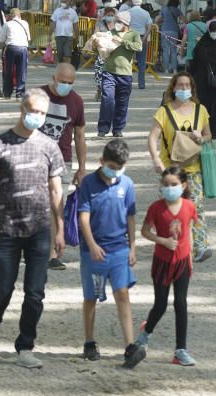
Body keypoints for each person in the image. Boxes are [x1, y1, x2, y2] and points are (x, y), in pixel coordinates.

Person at [0, 89, 65, 369]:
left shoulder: (50, 146)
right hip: (7, 229)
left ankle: (25, 347)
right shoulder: (0, 143)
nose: (37, 117)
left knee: (35, 293)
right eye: (33, 111)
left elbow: (56, 191)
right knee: (3, 289)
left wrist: (60, 229)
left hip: (39, 230)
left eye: (43, 113)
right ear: (22, 109)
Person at [78, 139, 146, 368]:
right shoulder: (88, 184)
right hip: (94, 254)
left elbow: (130, 217)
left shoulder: (127, 185)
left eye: (120, 168)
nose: (115, 172)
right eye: (112, 167)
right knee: (91, 297)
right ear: (102, 162)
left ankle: (129, 346)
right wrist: (92, 244)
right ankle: (89, 341)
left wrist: (133, 246)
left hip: (119, 250)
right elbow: (83, 217)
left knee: (123, 294)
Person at [133, 166, 197, 367]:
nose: (170, 188)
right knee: (160, 304)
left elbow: (189, 231)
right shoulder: (156, 208)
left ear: (183, 185)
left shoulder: (189, 206)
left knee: (181, 303)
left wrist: (191, 257)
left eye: (174, 184)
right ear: (161, 186)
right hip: (162, 262)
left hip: (182, 262)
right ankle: (145, 332)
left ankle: (180, 350)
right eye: (166, 185)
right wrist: (162, 240)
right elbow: (144, 231)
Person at [147, 72, 212, 263]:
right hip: (171, 171)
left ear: (192, 88)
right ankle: (170, 245)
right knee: (170, 210)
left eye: (187, 86)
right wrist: (156, 160)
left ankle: (201, 246)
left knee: (197, 208)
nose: (184, 89)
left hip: (194, 168)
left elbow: (209, 134)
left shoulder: (201, 111)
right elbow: (152, 137)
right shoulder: (164, 112)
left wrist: (201, 137)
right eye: (180, 86)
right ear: (173, 88)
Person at [40, 63, 87, 269]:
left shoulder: (76, 101)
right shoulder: (38, 95)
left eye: (70, 83)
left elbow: (80, 135)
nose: (65, 86)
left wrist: (82, 167)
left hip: (63, 161)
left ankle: (52, 254)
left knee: (56, 207)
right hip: (36, 160)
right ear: (54, 77)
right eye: (62, 82)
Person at [97, 11, 142, 138]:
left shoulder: (134, 34)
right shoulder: (111, 32)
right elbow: (102, 46)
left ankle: (117, 129)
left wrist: (122, 42)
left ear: (125, 23)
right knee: (107, 99)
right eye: (116, 21)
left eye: (119, 21)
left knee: (122, 104)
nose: (116, 23)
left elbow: (139, 47)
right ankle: (103, 128)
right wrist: (97, 44)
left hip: (125, 74)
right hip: (109, 72)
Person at [189, 22, 216, 138]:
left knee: (206, 106)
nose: (215, 34)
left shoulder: (202, 45)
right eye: (213, 31)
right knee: (214, 107)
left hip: (204, 82)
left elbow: (193, 64)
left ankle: (208, 131)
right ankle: (212, 131)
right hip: (215, 83)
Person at [0, 7, 30, 100]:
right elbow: (28, 38)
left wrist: (1, 48)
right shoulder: (25, 23)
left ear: (10, 16)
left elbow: (1, 40)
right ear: (19, 15)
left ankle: (7, 92)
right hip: (23, 48)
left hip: (11, 48)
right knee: (21, 71)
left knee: (9, 71)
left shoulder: (7, 24)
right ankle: (20, 93)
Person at [129, 0, 153, 89]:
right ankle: (141, 83)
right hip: (142, 36)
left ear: (132, 2)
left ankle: (127, 82)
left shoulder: (128, 12)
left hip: (130, 37)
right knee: (142, 62)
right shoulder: (146, 13)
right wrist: (144, 39)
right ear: (141, 2)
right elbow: (149, 27)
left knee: (128, 61)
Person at [93, 5, 117, 101]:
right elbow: (96, 35)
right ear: (104, 15)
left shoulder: (117, 25)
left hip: (113, 52)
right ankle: (99, 89)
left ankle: (108, 93)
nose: (110, 16)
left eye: (112, 15)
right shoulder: (100, 24)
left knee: (111, 73)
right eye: (108, 15)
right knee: (99, 72)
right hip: (102, 52)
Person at [156, 0, 184, 74]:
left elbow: (157, 20)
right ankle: (174, 70)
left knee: (165, 51)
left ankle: (166, 70)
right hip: (174, 31)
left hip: (164, 31)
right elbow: (185, 20)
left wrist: (163, 21)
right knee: (173, 51)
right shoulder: (177, 10)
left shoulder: (164, 9)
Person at [48, 0, 79, 64]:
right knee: (60, 55)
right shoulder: (57, 11)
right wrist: (49, 35)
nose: (63, 3)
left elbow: (75, 25)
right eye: (62, 1)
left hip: (69, 36)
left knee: (67, 55)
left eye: (64, 1)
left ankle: (67, 70)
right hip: (59, 36)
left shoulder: (73, 12)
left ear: (69, 2)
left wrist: (77, 36)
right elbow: (53, 23)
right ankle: (61, 69)